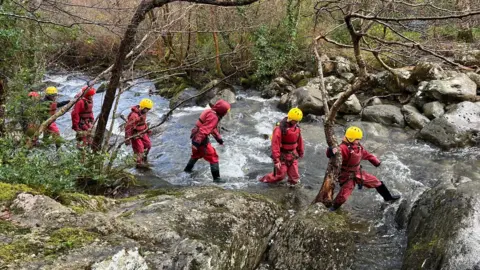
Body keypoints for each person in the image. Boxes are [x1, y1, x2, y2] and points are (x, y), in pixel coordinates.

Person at [327, 126, 400, 211]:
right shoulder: (343, 148)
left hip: (358, 172)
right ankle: (333, 208)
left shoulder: (358, 147)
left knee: (377, 182)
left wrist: (376, 162)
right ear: (351, 139)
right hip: (347, 176)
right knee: (343, 196)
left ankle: (388, 198)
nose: (359, 141)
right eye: (357, 139)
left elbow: (367, 155)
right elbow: (332, 154)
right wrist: (331, 150)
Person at [184, 99, 231, 183]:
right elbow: (204, 130)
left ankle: (187, 171)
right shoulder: (214, 117)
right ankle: (216, 179)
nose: (226, 113)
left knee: (196, 154)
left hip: (195, 135)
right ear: (222, 111)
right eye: (226, 111)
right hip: (201, 140)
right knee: (213, 157)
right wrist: (196, 143)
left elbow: (211, 128)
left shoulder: (210, 111)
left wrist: (219, 139)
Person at [259, 108, 304, 186]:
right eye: (295, 121)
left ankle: (292, 189)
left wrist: (300, 152)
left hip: (293, 155)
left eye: (298, 121)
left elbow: (300, 141)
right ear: (290, 119)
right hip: (282, 156)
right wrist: (276, 160)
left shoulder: (296, 128)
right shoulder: (280, 129)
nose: (296, 122)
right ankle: (263, 180)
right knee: (280, 176)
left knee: (295, 177)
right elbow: (275, 144)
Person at [125, 98, 154, 168]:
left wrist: (147, 129)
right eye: (147, 109)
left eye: (149, 109)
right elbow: (128, 127)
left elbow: (143, 122)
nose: (148, 111)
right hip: (135, 134)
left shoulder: (143, 113)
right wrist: (127, 138)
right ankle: (138, 164)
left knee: (148, 145)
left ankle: (144, 158)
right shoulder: (134, 116)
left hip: (142, 132)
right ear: (143, 107)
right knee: (140, 149)